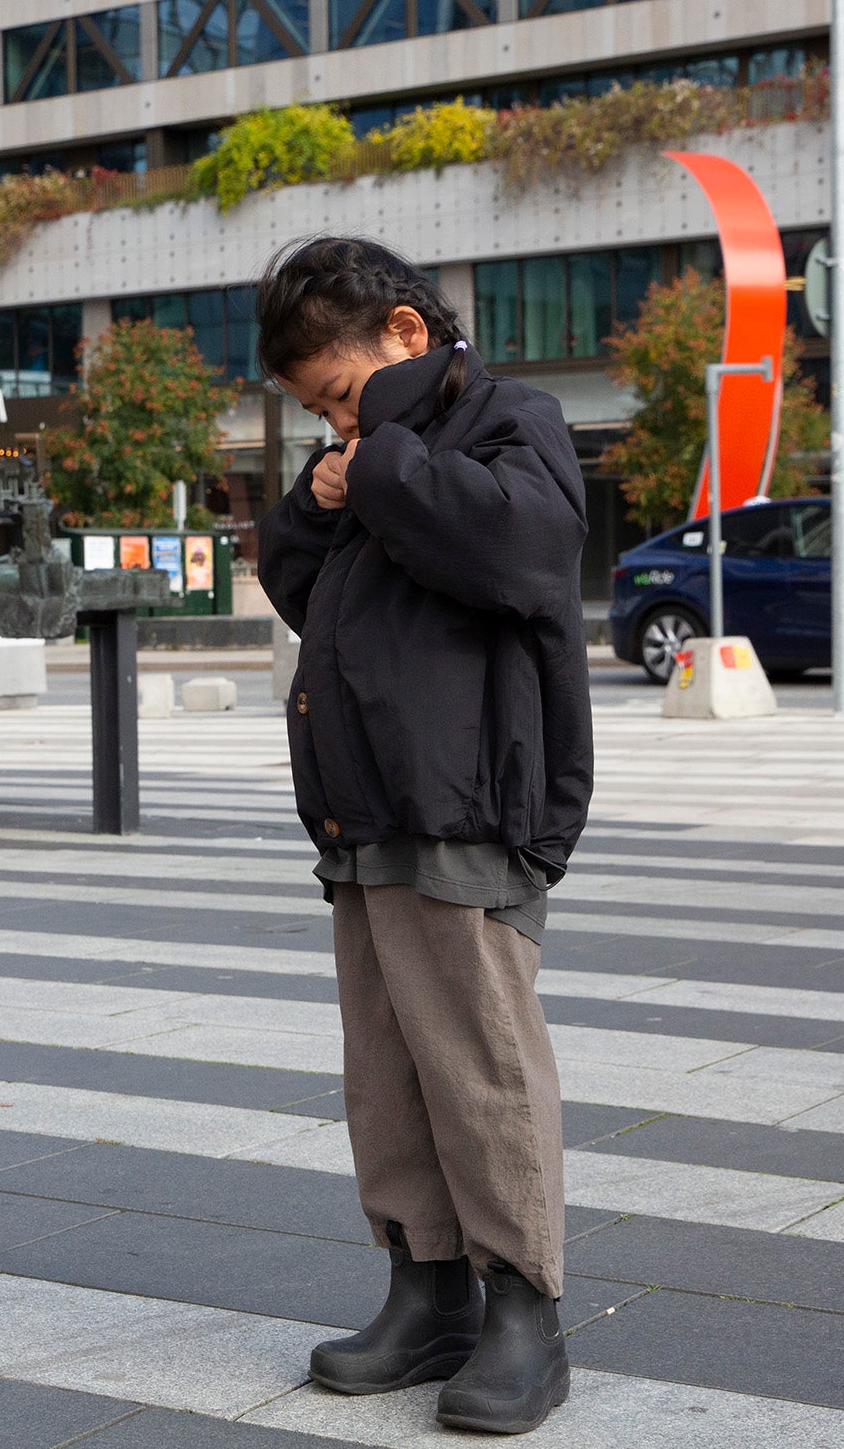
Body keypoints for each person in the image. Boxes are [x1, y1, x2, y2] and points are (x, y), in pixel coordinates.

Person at [257, 237, 592, 1436]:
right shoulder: (365, 463)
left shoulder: (514, 422)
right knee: (388, 1068)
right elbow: (303, 588)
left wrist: (380, 461)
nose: (334, 426)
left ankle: (523, 1308)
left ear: (407, 334)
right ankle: (425, 1284)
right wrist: (314, 497)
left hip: (468, 799)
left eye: (338, 395)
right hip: (367, 803)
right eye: (315, 412)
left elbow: (525, 554)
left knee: (481, 1064)